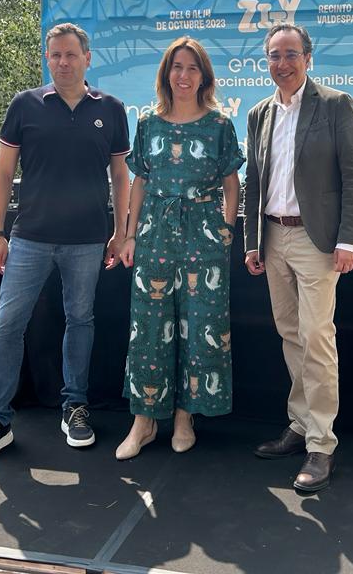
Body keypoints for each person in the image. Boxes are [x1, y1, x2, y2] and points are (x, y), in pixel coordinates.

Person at [0, 22, 130, 466]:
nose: (62, 62)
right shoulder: (25, 105)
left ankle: (74, 407)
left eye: (70, 54)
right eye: (54, 55)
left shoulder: (110, 109)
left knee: (81, 321)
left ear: (87, 58)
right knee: (8, 325)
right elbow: (2, 174)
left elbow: (120, 175)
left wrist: (122, 230)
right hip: (30, 238)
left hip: (87, 240)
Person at [243, 22, 353, 492]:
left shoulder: (335, 106)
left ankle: (321, 444)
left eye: (290, 54)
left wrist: (349, 240)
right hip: (273, 238)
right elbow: (256, 182)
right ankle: (299, 425)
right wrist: (253, 241)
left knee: (316, 338)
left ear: (308, 58)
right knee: (290, 335)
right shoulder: (258, 113)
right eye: (274, 55)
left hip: (317, 243)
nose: (282, 64)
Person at [115, 36, 244, 460]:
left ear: (203, 75)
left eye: (192, 68)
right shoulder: (149, 123)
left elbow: (231, 182)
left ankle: (186, 415)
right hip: (155, 231)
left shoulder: (219, 125)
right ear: (166, 74)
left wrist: (225, 230)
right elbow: (140, 181)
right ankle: (144, 420)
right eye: (177, 67)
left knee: (199, 323)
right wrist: (130, 234)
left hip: (203, 234)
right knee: (148, 325)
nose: (183, 75)